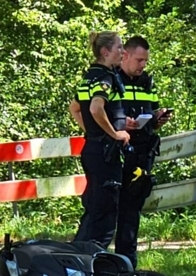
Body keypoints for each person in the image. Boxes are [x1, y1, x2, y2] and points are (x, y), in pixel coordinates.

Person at [114, 36, 173, 269]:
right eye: (139, 60)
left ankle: (128, 263)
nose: (142, 66)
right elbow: (96, 114)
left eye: (145, 61)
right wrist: (120, 124)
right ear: (125, 55)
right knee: (110, 209)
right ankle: (103, 263)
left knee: (132, 209)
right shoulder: (111, 79)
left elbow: (151, 112)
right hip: (118, 152)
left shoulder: (147, 81)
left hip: (143, 151)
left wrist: (157, 119)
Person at [69, 32, 130, 249]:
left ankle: (77, 255)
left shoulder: (89, 77)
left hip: (93, 148)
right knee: (104, 211)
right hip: (105, 153)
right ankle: (94, 261)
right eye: (119, 48)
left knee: (94, 206)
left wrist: (94, 131)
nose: (123, 52)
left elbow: (75, 108)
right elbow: (96, 108)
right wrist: (114, 133)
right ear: (105, 52)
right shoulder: (105, 77)